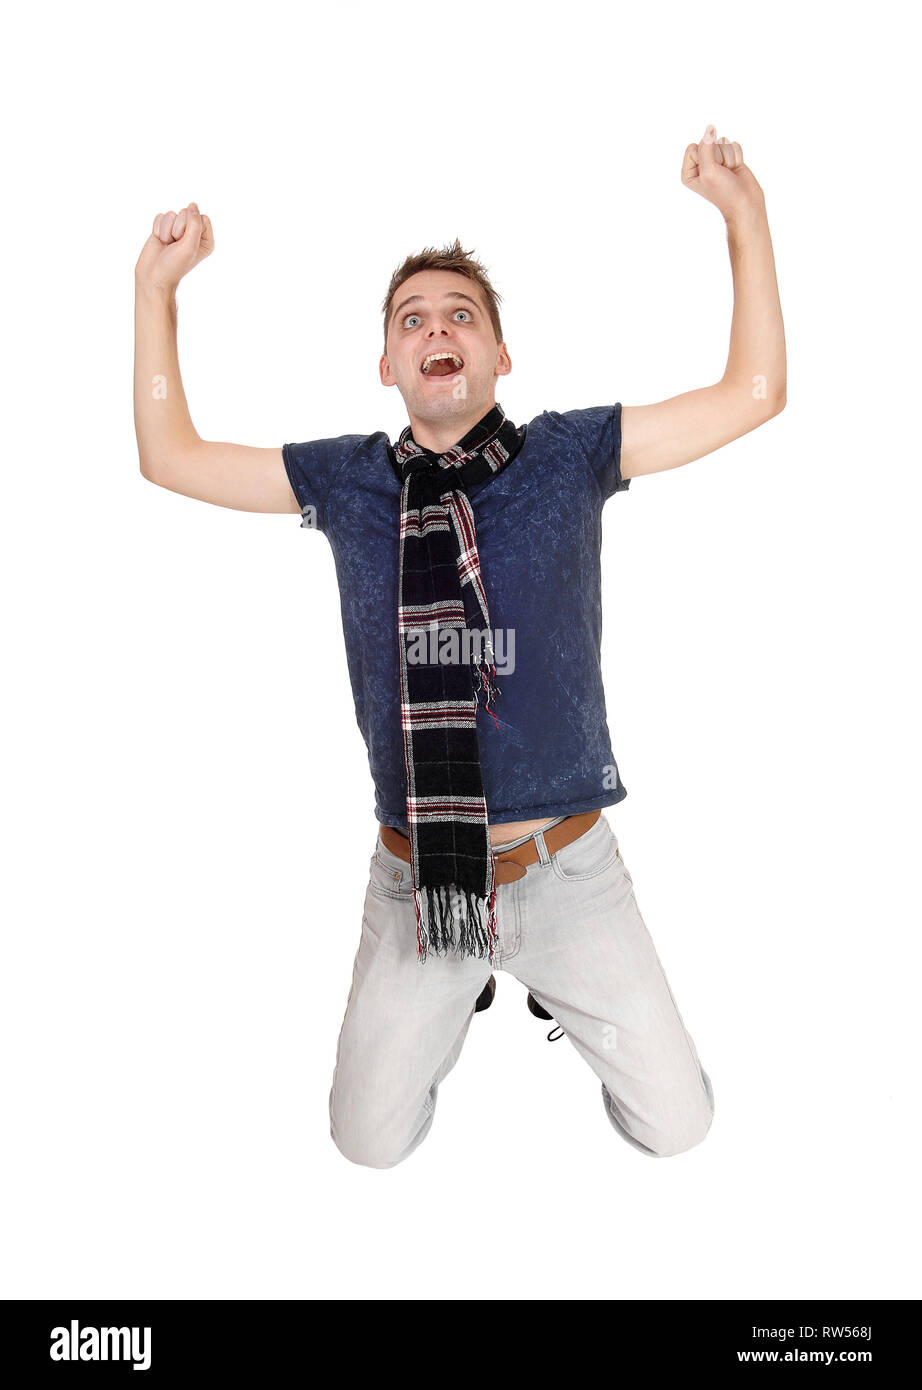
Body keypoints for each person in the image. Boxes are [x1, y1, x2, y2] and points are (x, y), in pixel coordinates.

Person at [133, 124, 785, 1167]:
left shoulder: (570, 453)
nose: (438, 329)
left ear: (497, 353)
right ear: (388, 362)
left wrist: (744, 221)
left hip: (564, 869)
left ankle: (557, 987)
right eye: (412, 319)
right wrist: (156, 295)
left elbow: (755, 396)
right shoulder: (347, 479)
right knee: (367, 1144)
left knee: (681, 1128)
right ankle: (463, 982)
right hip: (419, 876)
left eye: (461, 315)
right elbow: (169, 456)